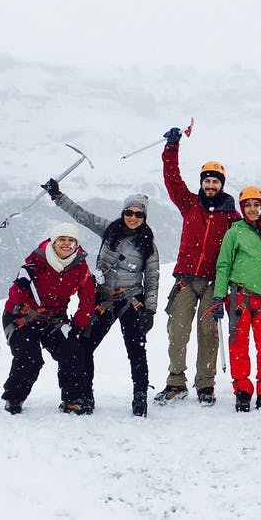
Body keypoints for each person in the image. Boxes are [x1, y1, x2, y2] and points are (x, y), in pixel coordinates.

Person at [44, 179, 159, 417]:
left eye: (139, 214)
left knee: (136, 350)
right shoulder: (110, 229)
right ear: (123, 212)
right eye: (129, 212)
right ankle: (85, 395)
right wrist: (57, 196)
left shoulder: (148, 245)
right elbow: (82, 216)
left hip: (131, 301)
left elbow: (152, 278)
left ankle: (140, 398)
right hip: (104, 299)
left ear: (144, 217)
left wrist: (150, 310)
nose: (133, 217)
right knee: (85, 346)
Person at [156, 126, 240, 407]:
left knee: (208, 334)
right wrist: (171, 148)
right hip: (185, 279)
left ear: (222, 184)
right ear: (202, 182)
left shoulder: (232, 216)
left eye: (216, 181)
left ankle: (205, 385)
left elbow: (243, 246)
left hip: (214, 282)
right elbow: (172, 180)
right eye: (207, 181)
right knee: (177, 331)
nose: (211, 186)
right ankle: (175, 382)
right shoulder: (189, 204)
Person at [0, 223, 94, 415]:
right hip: (23, 318)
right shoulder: (36, 261)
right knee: (30, 358)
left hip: (54, 321)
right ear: (53, 241)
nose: (67, 244)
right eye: (62, 239)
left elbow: (88, 298)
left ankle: (73, 399)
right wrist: (21, 283)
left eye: (71, 240)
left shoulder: (79, 266)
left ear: (77, 243)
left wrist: (77, 325)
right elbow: (12, 304)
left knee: (73, 351)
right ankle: (14, 398)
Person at [212, 185, 261, 412]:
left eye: (257, 205)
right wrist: (218, 295)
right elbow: (223, 266)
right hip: (240, 298)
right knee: (239, 345)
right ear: (242, 208)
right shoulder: (234, 232)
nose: (253, 209)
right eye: (248, 205)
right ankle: (243, 390)